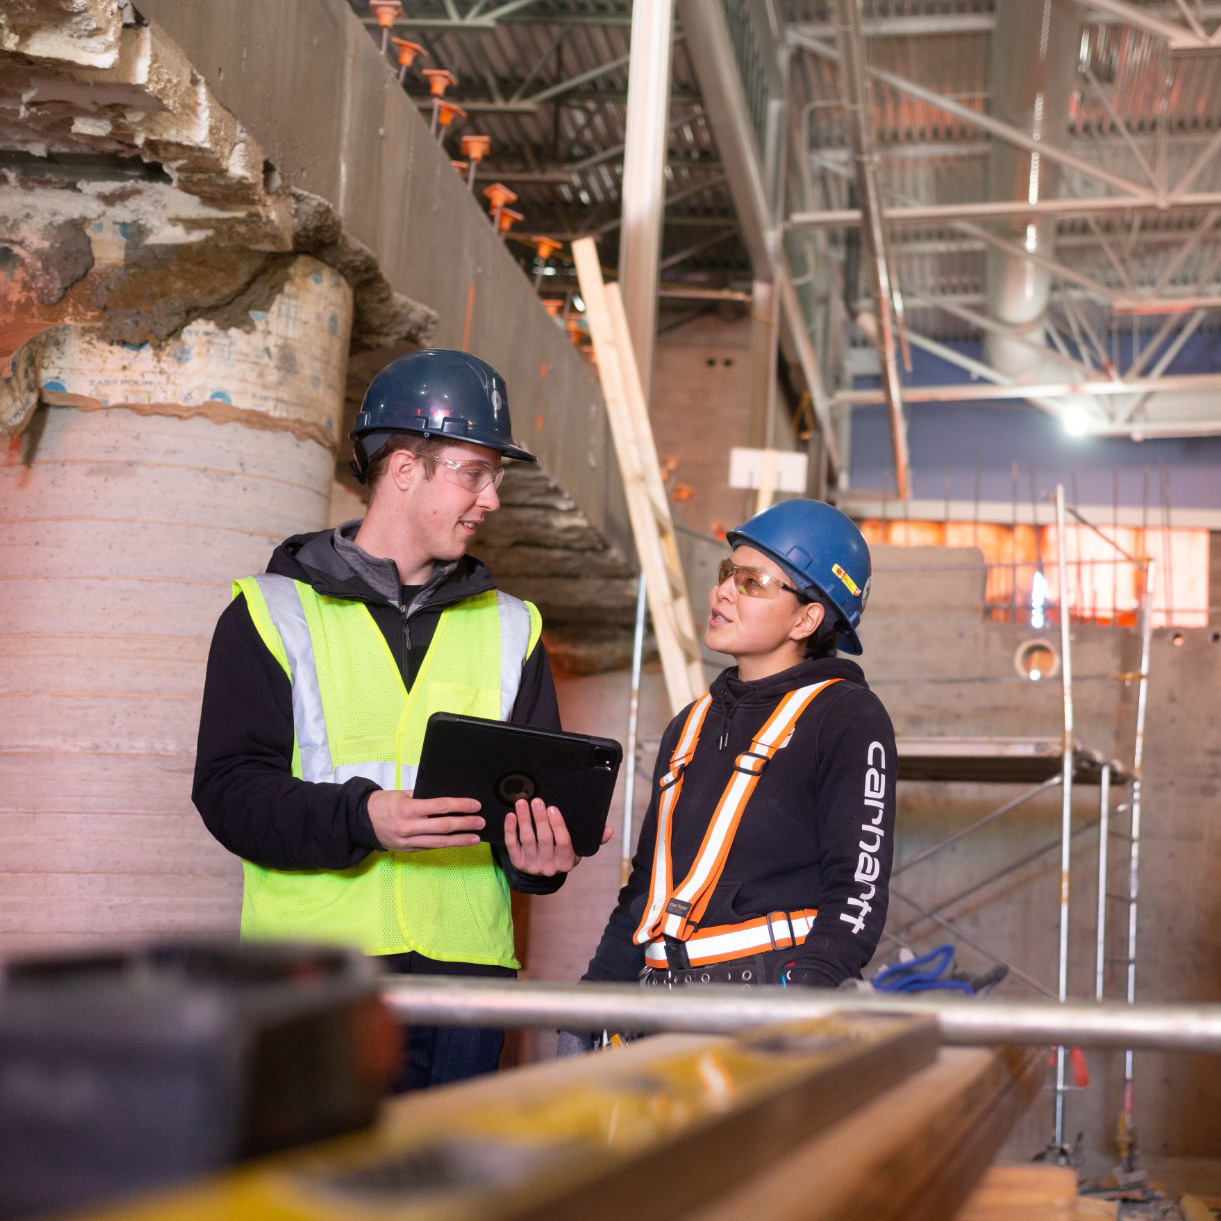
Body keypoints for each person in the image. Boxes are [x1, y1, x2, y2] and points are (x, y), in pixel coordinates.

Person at [193, 347, 601, 1090]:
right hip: (313, 978)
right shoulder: (271, 613)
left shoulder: (514, 627)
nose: (492, 500)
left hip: (466, 983)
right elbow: (227, 793)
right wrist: (364, 816)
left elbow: (521, 810)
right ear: (404, 469)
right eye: (475, 474)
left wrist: (537, 861)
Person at [574, 499, 895, 1014]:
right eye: (728, 573)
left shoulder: (846, 717)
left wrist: (808, 1004)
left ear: (806, 619)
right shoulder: (690, 725)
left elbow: (856, 890)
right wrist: (591, 1004)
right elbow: (645, 889)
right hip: (658, 1004)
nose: (722, 591)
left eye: (753, 582)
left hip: (765, 1004)